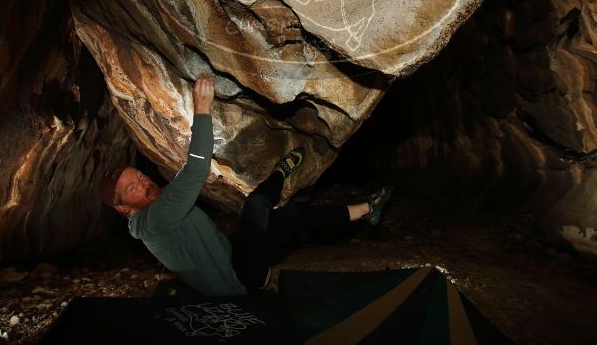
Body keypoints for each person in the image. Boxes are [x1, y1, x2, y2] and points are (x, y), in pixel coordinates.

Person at [98, 72, 393, 296]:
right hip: (239, 277)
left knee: (290, 216)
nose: (143, 181)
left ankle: (368, 210)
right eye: (133, 187)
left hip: (231, 254)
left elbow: (181, 216)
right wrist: (202, 108)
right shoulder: (156, 218)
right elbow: (195, 170)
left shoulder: (151, 219)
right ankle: (279, 174)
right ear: (124, 208)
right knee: (257, 204)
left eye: (138, 176)